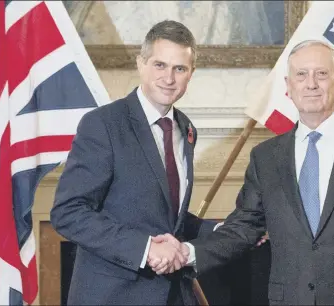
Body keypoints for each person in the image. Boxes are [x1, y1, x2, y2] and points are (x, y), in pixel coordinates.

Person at [153, 39, 334, 305]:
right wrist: (187, 252)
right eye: (301, 75)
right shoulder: (266, 157)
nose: (311, 84)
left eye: (322, 74)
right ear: (288, 87)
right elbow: (242, 229)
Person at [50, 20, 218, 305]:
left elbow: (162, 215)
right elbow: (68, 212)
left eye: (180, 68)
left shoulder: (185, 129)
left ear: (191, 73)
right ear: (141, 64)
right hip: (112, 296)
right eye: (159, 65)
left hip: (172, 294)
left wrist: (216, 230)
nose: (169, 78)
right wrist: (145, 249)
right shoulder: (103, 124)